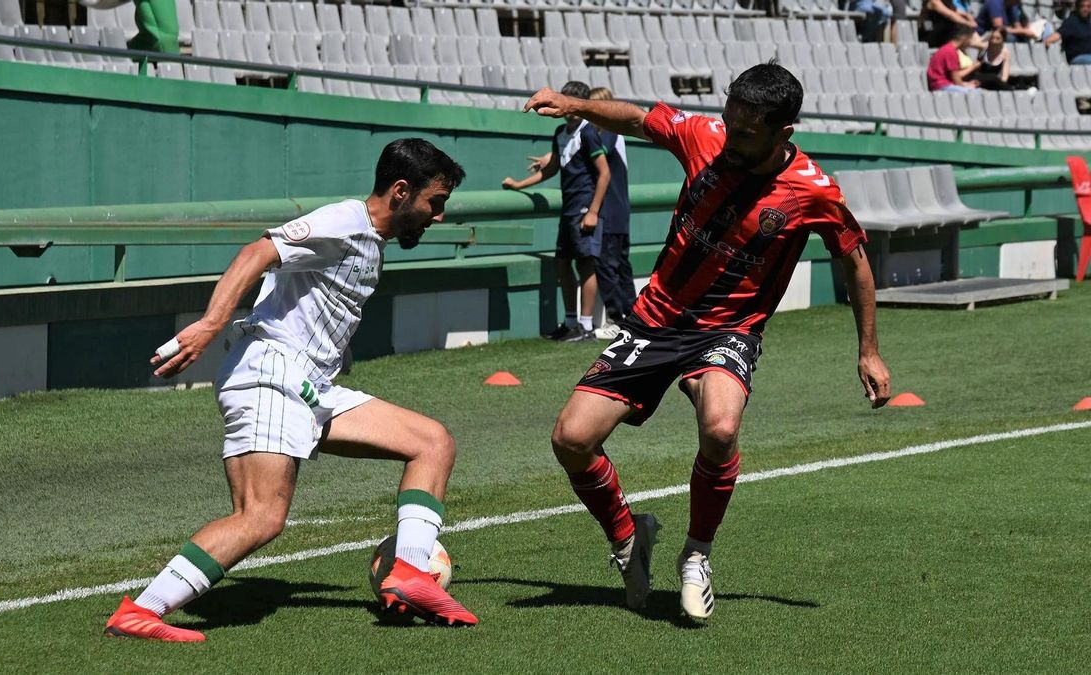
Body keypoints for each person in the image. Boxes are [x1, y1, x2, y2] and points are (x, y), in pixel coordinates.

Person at [522, 61, 892, 620]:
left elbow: (857, 264)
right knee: (570, 439)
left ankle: (697, 554)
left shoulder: (814, 191)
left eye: (747, 132)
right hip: (655, 321)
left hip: (728, 329)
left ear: (782, 133)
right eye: (730, 121)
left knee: (720, 427)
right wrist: (575, 106)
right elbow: (640, 117)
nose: (732, 137)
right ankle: (629, 537)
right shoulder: (705, 137)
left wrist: (868, 348)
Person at [103, 139, 478, 642]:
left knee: (431, 442)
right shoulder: (345, 220)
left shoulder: (370, 240)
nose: (438, 216)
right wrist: (212, 323)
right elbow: (257, 251)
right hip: (270, 377)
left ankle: (409, 574)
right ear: (401, 191)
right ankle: (142, 612)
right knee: (259, 516)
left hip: (309, 387)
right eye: (435, 203)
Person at [503, 81, 612, 343]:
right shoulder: (561, 133)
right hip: (569, 209)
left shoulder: (588, 133)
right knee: (562, 263)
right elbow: (551, 169)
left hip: (584, 208)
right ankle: (571, 322)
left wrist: (593, 211)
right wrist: (518, 185)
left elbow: (604, 173)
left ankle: (585, 327)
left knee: (586, 264)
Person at [588, 87, 636, 340]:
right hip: (618, 210)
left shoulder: (608, 132)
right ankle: (631, 316)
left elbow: (596, 153)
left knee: (608, 264)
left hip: (611, 210)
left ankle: (618, 318)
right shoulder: (610, 132)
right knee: (620, 264)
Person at [928, 26, 982, 92]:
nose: (970, 43)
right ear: (964, 38)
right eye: (970, 39)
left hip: (942, 84)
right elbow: (955, 78)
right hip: (941, 85)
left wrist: (966, 84)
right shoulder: (951, 51)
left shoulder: (947, 48)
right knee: (977, 92)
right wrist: (964, 86)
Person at [977, 0, 1049, 42]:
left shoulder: (1012, 6)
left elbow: (1018, 27)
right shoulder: (995, 2)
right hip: (984, 36)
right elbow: (999, 27)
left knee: (1024, 37)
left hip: (1002, 34)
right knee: (1010, 37)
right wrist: (1024, 31)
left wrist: (1026, 31)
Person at [1044, 0, 1091, 65]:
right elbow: (1054, 37)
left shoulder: (1088, 23)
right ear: (1077, 7)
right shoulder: (1071, 22)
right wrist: (1048, 42)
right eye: (1082, 6)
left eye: (1088, 6)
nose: (1085, 9)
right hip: (1078, 58)